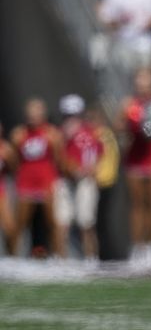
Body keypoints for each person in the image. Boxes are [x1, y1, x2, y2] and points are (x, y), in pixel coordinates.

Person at [117, 68, 151, 264]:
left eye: (146, 84)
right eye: (140, 84)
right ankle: (137, 246)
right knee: (136, 205)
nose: (143, 88)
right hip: (135, 158)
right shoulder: (129, 104)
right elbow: (118, 126)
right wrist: (133, 127)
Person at [10, 98, 65, 257]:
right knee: (20, 224)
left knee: (52, 223)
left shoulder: (52, 134)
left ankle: (59, 257)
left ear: (43, 114)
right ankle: (13, 258)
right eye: (30, 112)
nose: (33, 116)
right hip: (26, 183)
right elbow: (15, 161)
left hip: (46, 181)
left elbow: (58, 159)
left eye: (36, 112)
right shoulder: (18, 134)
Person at [58, 95, 104, 260]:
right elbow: (59, 159)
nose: (71, 119)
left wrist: (91, 170)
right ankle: (61, 260)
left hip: (85, 181)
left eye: (74, 115)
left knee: (87, 223)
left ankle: (91, 258)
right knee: (62, 223)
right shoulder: (58, 135)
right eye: (68, 115)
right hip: (65, 181)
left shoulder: (92, 133)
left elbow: (100, 154)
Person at [0, 122, 17, 253]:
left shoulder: (6, 149)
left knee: (9, 226)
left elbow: (14, 169)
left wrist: (9, 159)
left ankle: (11, 256)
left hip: (1, 190)